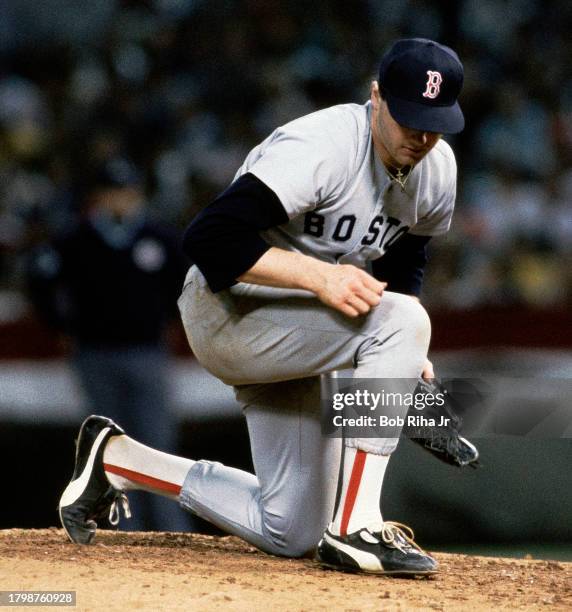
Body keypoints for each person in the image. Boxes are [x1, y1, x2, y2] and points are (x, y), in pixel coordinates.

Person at [58, 39, 465, 576]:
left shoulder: (436, 168)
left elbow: (408, 257)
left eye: (434, 121)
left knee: (290, 528)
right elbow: (208, 238)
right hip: (229, 311)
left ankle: (117, 460)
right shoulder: (321, 147)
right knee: (404, 321)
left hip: (304, 327)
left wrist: (405, 357)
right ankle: (358, 527)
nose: (422, 135)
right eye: (409, 117)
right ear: (376, 98)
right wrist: (323, 279)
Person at [28, 157, 190, 533]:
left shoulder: (160, 237)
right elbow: (40, 280)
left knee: (158, 442)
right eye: (113, 192)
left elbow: (188, 286)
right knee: (107, 445)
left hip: (148, 352)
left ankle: (173, 531)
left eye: (127, 192)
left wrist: (169, 320)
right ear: (98, 197)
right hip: (95, 355)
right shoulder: (75, 239)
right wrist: (61, 325)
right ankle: (124, 532)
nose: (120, 200)